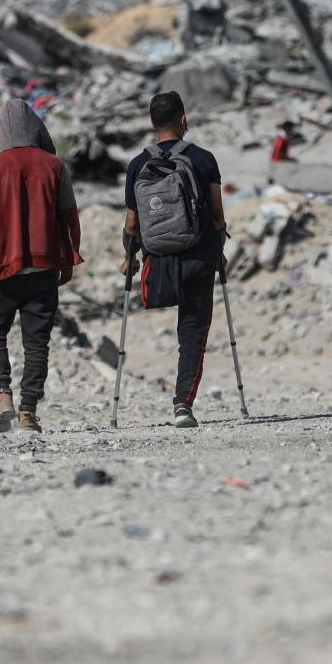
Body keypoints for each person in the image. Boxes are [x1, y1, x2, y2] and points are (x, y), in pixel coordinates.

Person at [0, 99, 81, 434]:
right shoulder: (54, 166)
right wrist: (69, 257)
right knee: (37, 343)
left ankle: (2, 395)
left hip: (2, 268)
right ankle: (28, 413)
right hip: (44, 268)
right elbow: (70, 217)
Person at [121, 90, 227, 429]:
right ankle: (183, 403)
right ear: (183, 119)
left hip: (158, 265)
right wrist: (219, 244)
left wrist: (130, 257)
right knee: (193, 332)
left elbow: (131, 222)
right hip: (197, 258)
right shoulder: (204, 159)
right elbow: (217, 214)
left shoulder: (138, 164)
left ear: (153, 124)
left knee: (180, 326)